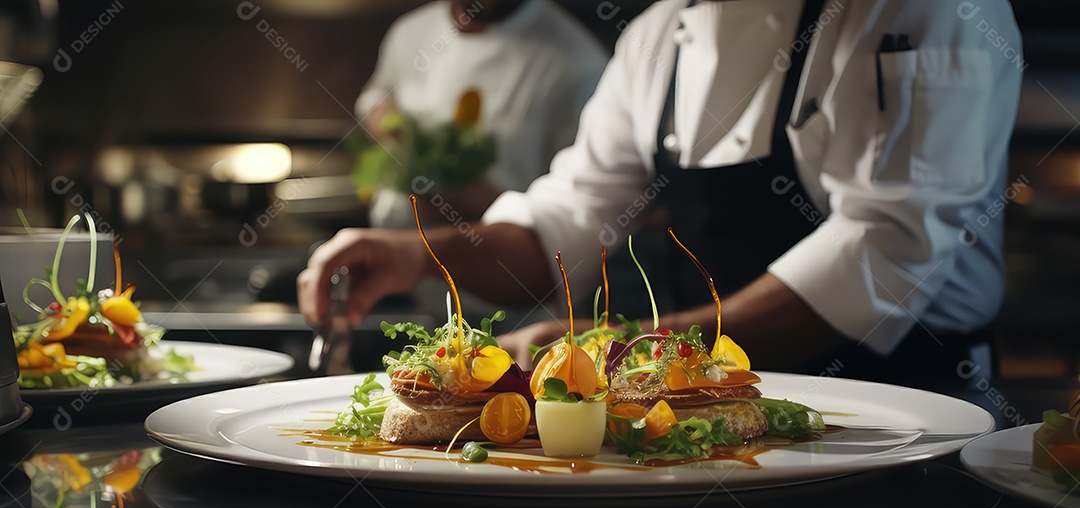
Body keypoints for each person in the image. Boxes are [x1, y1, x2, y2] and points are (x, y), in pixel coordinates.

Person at [299, 0, 1023, 391]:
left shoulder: (924, 9)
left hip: (904, 408)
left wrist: (619, 346)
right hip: (698, 415)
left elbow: (883, 247)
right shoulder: (659, 35)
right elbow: (568, 224)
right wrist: (417, 255)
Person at [355, 0, 608, 229]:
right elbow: (377, 95)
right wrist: (384, 122)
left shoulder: (581, 65)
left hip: (488, 265)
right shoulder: (410, 30)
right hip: (389, 245)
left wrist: (494, 205)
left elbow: (580, 207)